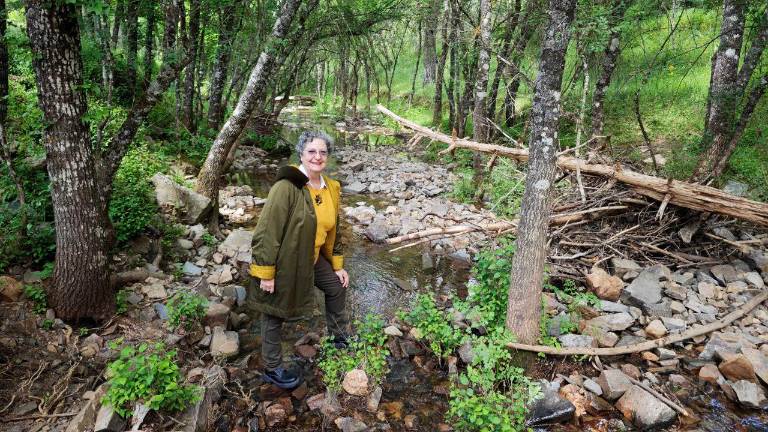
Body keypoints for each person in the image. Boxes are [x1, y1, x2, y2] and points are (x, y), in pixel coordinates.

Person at [249, 131, 350, 390]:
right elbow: (267, 231)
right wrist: (266, 272)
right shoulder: (287, 187)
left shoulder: (331, 188)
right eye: (312, 152)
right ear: (301, 155)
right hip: (287, 261)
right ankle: (272, 368)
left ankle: (339, 338)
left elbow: (333, 230)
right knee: (274, 311)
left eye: (323, 152)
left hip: (313, 259)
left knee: (336, 286)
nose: (318, 157)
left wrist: (337, 266)